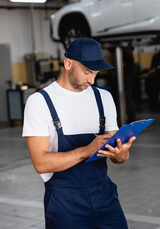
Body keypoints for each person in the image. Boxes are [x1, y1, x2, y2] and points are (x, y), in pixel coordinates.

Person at [22, 37, 136, 229]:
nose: (92, 80)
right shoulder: (39, 102)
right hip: (65, 203)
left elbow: (119, 155)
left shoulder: (104, 98)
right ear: (68, 64)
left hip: (104, 195)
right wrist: (87, 150)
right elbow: (40, 163)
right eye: (87, 72)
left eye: (96, 73)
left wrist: (122, 154)